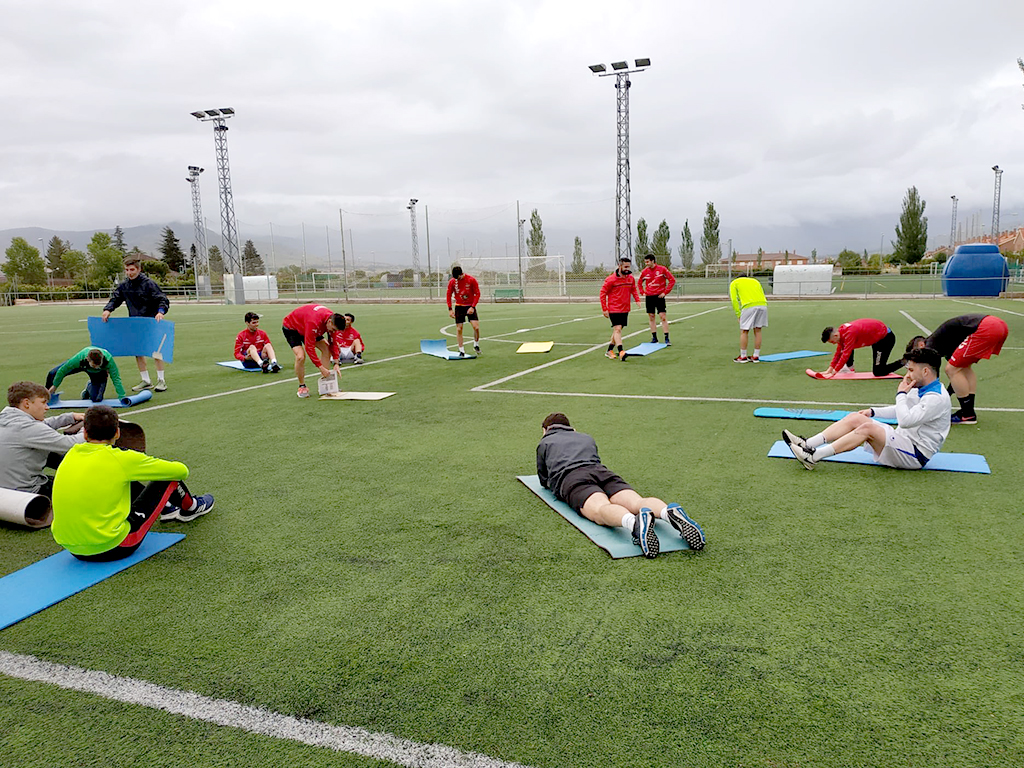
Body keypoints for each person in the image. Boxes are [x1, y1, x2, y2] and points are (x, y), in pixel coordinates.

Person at [50, 405, 214, 562]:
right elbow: (181, 471)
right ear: (117, 433)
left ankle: (169, 509)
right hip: (113, 547)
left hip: (72, 548)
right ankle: (191, 508)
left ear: (85, 433)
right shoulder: (122, 458)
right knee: (168, 477)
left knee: (119, 480)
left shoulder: (71, 454)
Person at [536, 412, 705, 557]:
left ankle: (634, 523)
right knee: (637, 502)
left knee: (600, 509)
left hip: (573, 477)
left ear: (545, 430)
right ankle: (667, 512)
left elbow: (544, 480)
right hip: (601, 471)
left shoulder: (545, 442)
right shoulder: (586, 437)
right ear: (571, 428)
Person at [782, 346, 950, 471]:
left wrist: (901, 394)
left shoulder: (935, 398)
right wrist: (873, 411)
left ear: (926, 371)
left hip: (915, 454)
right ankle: (808, 444)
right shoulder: (922, 387)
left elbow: (905, 421)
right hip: (902, 441)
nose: (908, 374)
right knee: (856, 418)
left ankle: (812, 457)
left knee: (867, 428)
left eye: (912, 370)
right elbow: (901, 410)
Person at [904, 314, 1009, 425]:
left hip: (987, 327)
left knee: (951, 369)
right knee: (963, 368)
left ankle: (967, 414)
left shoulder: (930, 345)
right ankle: (968, 412)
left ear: (921, 345)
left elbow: (932, 376)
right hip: (999, 325)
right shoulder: (944, 344)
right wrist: (947, 393)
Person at [0, 381, 84, 496]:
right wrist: (90, 428)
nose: (47, 408)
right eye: (43, 403)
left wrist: (68, 417)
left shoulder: (7, 419)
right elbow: (70, 444)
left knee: (46, 451)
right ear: (27, 403)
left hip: (4, 491)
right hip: (25, 494)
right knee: (79, 488)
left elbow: (41, 427)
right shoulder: (27, 428)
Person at [102, 256, 170, 392]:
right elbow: (116, 298)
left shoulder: (149, 284)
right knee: (138, 353)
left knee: (156, 352)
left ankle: (161, 380)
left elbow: (162, 299)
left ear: (139, 269)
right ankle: (146, 380)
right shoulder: (124, 286)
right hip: (135, 323)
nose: (129, 272)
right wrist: (108, 309)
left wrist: (161, 312)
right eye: (127, 270)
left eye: (132, 269)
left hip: (151, 322)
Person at [281, 304, 345, 398]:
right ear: (330, 322)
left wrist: (336, 362)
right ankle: (302, 386)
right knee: (300, 356)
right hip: (292, 327)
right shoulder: (313, 322)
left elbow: (333, 343)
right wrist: (321, 367)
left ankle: (326, 385)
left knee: (326, 349)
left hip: (310, 327)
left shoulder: (331, 321)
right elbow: (309, 348)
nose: (333, 332)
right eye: (333, 329)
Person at [817, 318, 904, 377]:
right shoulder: (841, 333)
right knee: (845, 346)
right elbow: (838, 352)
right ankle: (849, 368)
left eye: (832, 341)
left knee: (878, 372)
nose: (833, 344)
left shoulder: (849, 333)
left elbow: (846, 354)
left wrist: (834, 373)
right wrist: (829, 369)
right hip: (877, 338)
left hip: (885, 339)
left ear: (835, 335)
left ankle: (904, 361)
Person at [45, 346, 126, 402]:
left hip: (98, 374)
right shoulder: (79, 358)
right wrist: (54, 386)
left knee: (96, 399)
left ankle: (89, 387)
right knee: (53, 373)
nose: (97, 367)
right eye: (94, 365)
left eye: (99, 365)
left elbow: (116, 379)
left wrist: (122, 397)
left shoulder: (108, 360)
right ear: (88, 359)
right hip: (81, 366)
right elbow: (62, 371)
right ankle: (46, 397)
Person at [599, 257, 641, 360]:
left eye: (629, 267)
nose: (627, 269)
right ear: (620, 266)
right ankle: (621, 351)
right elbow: (602, 293)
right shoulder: (611, 279)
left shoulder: (630, 278)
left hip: (625, 308)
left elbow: (633, 289)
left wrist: (637, 299)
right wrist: (604, 308)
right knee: (617, 329)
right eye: (625, 266)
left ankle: (609, 350)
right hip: (614, 308)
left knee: (617, 330)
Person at [638, 254, 676, 345]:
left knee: (662, 316)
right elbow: (639, 283)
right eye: (645, 262)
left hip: (659, 296)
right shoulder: (644, 272)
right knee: (651, 316)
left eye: (647, 262)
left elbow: (672, 280)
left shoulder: (662, 269)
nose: (646, 263)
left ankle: (667, 338)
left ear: (652, 261)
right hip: (649, 297)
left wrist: (665, 292)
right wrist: (642, 292)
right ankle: (654, 338)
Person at [729, 276, 768, 363]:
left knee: (744, 331)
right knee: (758, 330)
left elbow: (734, 300)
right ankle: (756, 356)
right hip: (763, 305)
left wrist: (738, 314)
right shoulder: (755, 281)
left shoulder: (734, 283)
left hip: (749, 306)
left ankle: (743, 356)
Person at [446, 266, 481, 356]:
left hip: (469, 305)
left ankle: (476, 344)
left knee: (476, 327)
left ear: (461, 274)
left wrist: (472, 307)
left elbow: (477, 294)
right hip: (459, 306)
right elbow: (448, 294)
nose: (457, 279)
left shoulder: (471, 280)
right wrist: (450, 309)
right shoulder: (452, 282)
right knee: (459, 328)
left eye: (458, 277)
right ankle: (461, 350)